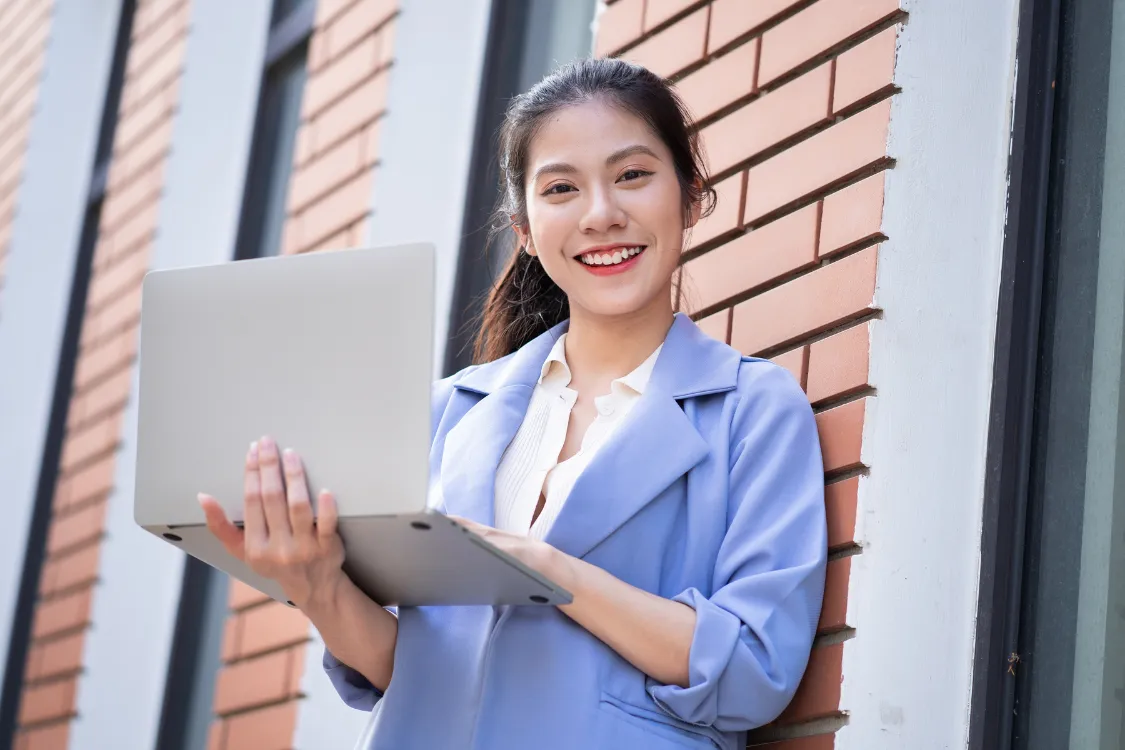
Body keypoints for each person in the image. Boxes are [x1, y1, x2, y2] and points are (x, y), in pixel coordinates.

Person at [199, 57, 827, 750]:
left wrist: (552, 571)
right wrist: (318, 586)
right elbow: (413, 672)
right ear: (524, 228)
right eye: (560, 188)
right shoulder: (449, 413)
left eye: (632, 176)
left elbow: (752, 670)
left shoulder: (752, 410)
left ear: (690, 197)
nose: (600, 214)